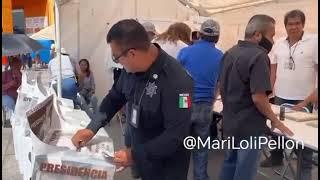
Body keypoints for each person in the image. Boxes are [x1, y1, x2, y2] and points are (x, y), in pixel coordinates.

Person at [71, 19, 193, 180]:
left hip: (166, 168)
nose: (117, 63)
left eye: (116, 58)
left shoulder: (177, 81)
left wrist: (133, 155)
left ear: (132, 53)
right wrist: (91, 128)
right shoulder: (131, 70)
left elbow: (176, 135)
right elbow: (114, 97)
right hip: (143, 160)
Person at [217, 15, 294, 180]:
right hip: (249, 127)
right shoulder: (259, 56)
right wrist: (275, 120)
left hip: (230, 122)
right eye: (271, 36)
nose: (272, 41)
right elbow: (259, 97)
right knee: (244, 172)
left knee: (229, 165)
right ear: (258, 35)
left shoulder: (230, 52)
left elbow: (221, 86)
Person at [261, 10, 318, 180]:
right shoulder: (278, 43)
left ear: (303, 24)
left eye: (297, 23)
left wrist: (307, 101)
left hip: (304, 99)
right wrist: (269, 93)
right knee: (275, 130)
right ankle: (277, 157)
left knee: (304, 140)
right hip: (280, 96)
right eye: (290, 24)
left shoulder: (314, 42)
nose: (293, 27)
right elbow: (273, 70)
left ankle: (303, 170)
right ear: (285, 26)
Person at [177, 19, 223, 180]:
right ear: (217, 37)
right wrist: (213, 98)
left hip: (184, 101)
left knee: (180, 146)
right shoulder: (220, 56)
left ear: (200, 34)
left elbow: (176, 78)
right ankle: (201, 177)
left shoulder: (185, 52)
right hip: (205, 103)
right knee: (201, 147)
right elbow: (219, 83)